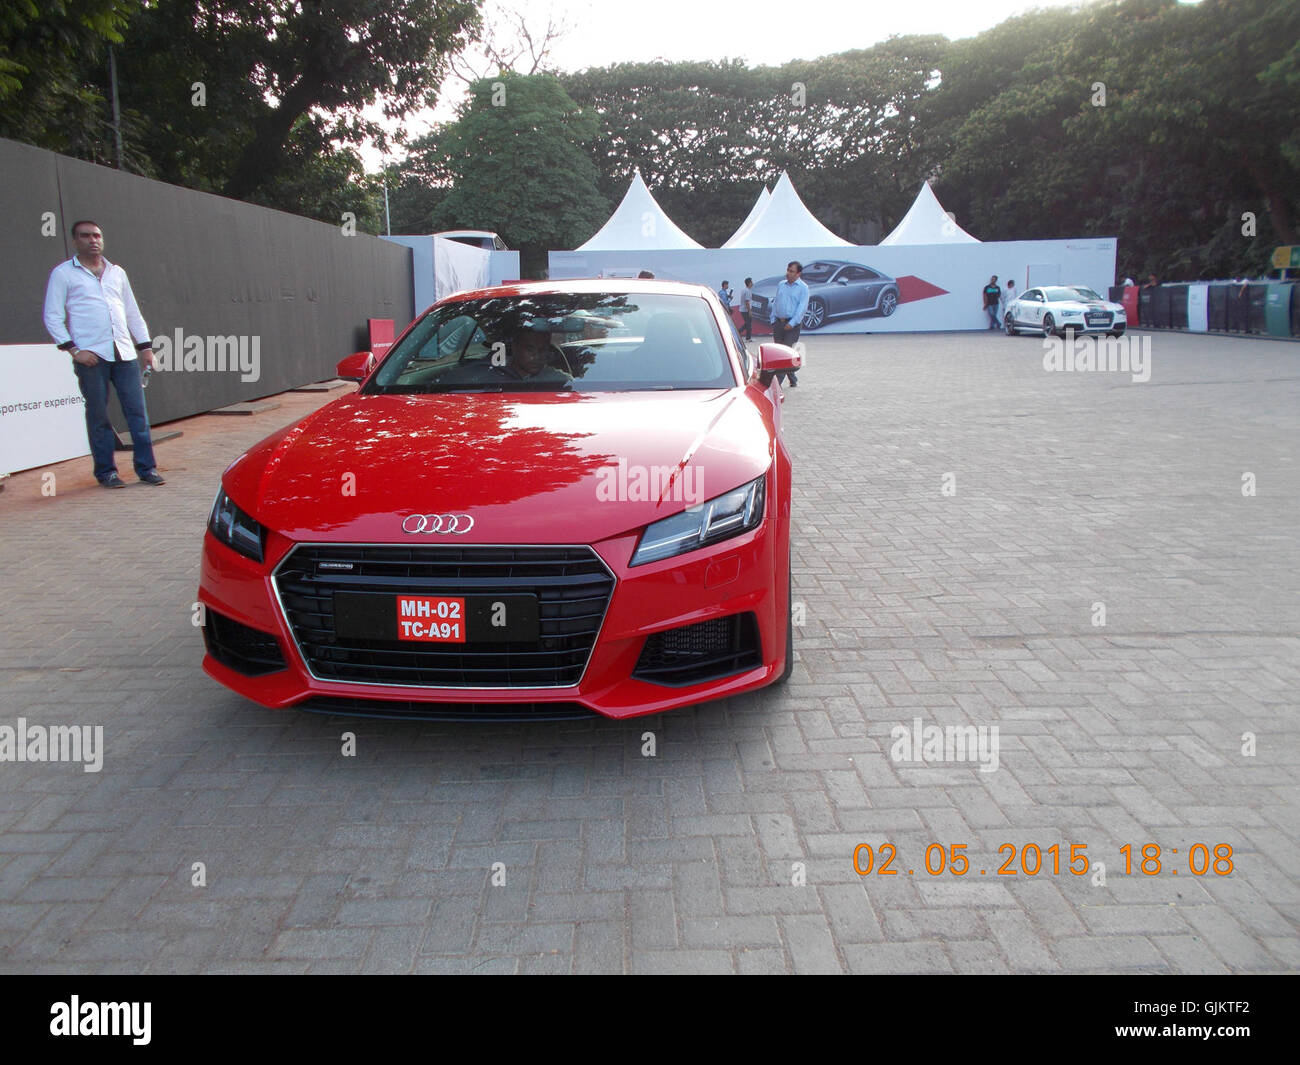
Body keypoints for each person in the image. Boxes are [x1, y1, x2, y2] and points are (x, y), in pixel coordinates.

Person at [42, 220, 164, 488]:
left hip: (124, 354)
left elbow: (132, 311)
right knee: (98, 416)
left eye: (97, 235)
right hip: (92, 358)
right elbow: (52, 316)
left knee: (137, 414)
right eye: (86, 236)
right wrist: (74, 350)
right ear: (75, 241)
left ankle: (147, 469)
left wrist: (145, 347)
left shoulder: (116, 273)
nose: (93, 240)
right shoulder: (63, 274)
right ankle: (106, 472)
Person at [493, 322, 572, 385]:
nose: (537, 356)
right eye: (530, 349)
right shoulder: (493, 377)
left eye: (542, 350)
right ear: (515, 347)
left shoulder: (559, 380)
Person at [770, 261, 809, 387]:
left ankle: (776, 386)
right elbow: (776, 303)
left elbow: (802, 308)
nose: (788, 273)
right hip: (778, 324)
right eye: (788, 270)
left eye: (791, 271)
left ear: (798, 273)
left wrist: (792, 323)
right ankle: (792, 377)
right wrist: (773, 320)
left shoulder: (803, 288)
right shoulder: (781, 285)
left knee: (784, 353)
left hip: (792, 326)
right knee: (780, 354)